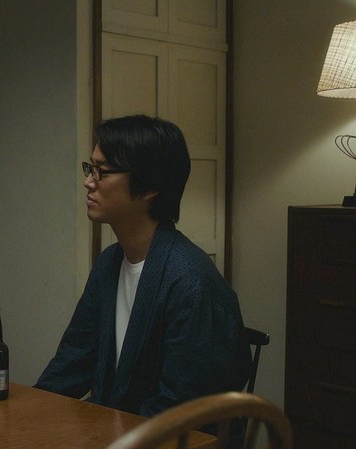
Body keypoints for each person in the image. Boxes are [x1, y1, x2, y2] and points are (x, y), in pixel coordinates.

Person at [35, 115, 251, 418]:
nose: (89, 181)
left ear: (149, 187)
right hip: (117, 429)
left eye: (102, 171)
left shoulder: (191, 282)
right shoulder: (110, 262)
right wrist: (26, 414)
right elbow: (74, 360)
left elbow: (180, 406)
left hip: (165, 435)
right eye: (90, 168)